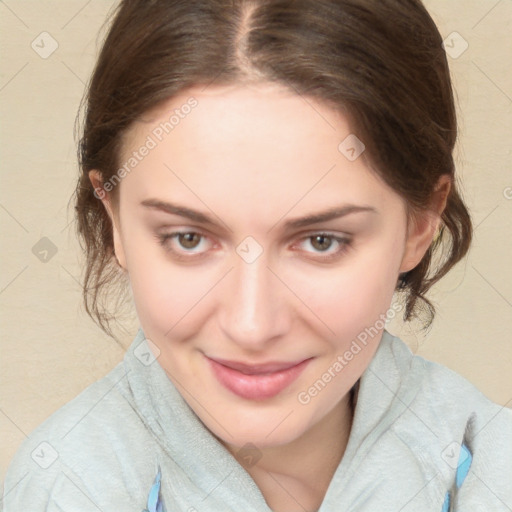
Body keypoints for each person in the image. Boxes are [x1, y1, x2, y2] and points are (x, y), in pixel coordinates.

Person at [3, 0, 511, 510]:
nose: (251, 326)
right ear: (114, 218)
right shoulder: (62, 487)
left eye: (321, 241)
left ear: (420, 223)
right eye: (188, 238)